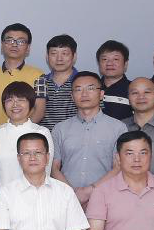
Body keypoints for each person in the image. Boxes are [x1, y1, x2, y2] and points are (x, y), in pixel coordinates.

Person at [50, 72, 125, 206]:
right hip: (66, 200)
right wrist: (72, 194)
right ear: (72, 96)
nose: (84, 94)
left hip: (105, 199)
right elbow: (54, 168)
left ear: (101, 94)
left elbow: (118, 168)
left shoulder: (118, 128)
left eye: (90, 88)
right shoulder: (60, 129)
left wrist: (89, 191)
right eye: (78, 89)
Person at [0, 81, 53, 191]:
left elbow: (46, 170)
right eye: (9, 100)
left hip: (35, 196)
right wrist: (1, 197)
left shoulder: (42, 132)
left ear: (31, 104)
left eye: (21, 100)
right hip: (1, 198)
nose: (15, 105)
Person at [0, 23, 47, 126]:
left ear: (28, 48)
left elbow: (39, 111)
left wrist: (21, 131)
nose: (14, 45)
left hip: (27, 134)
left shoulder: (38, 75)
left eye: (21, 41)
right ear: (2, 45)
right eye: (9, 40)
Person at [40, 34, 79, 130]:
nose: (59, 59)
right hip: (45, 137)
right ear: (47, 57)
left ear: (74, 56)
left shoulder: (83, 82)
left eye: (64, 53)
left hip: (75, 136)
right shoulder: (41, 81)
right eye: (54, 53)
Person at [95, 40, 133, 122]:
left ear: (125, 64)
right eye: (105, 59)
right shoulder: (92, 89)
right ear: (99, 63)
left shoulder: (133, 90)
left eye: (115, 59)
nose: (109, 63)